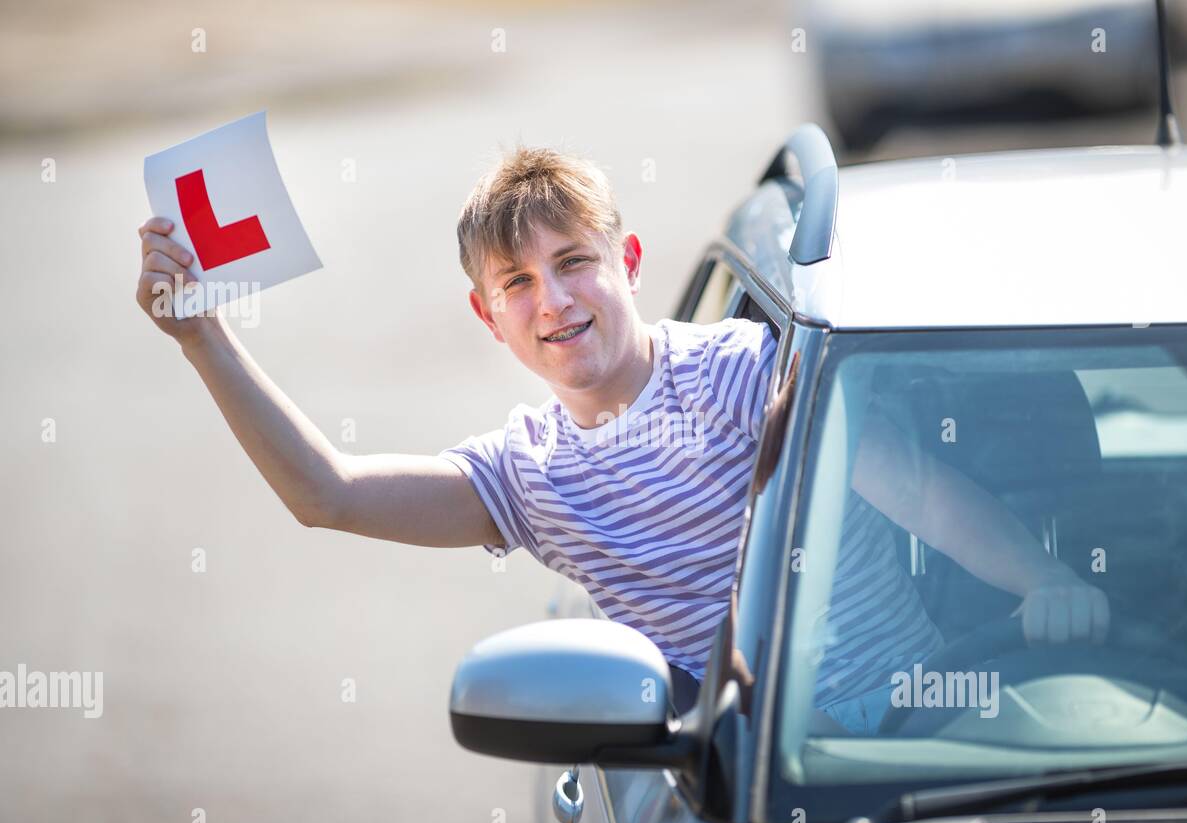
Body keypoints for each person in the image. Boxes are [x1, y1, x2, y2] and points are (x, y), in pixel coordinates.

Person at [134, 145, 1107, 728]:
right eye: (515, 283)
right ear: (488, 318)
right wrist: (199, 334)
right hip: (741, 778)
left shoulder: (737, 369)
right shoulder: (527, 476)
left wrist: (1044, 581)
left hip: (920, 722)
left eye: (573, 262)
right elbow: (329, 492)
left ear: (628, 261)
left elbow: (923, 494)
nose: (551, 300)